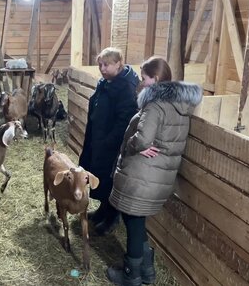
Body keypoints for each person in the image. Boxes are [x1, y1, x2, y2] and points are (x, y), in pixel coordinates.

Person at [106, 57, 202, 285]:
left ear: (156, 79)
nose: (142, 82)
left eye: (145, 78)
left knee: (133, 219)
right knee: (137, 219)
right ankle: (147, 271)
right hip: (159, 176)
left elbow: (143, 139)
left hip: (143, 175)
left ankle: (131, 275)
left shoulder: (156, 105)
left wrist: (132, 143)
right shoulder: (180, 106)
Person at [78, 47, 140, 236]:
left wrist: (108, 140)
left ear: (118, 64)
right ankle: (103, 210)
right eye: (100, 65)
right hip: (99, 138)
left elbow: (125, 119)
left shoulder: (125, 88)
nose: (102, 68)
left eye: (106, 65)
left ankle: (112, 217)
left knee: (111, 180)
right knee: (101, 177)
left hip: (112, 145)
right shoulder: (106, 82)